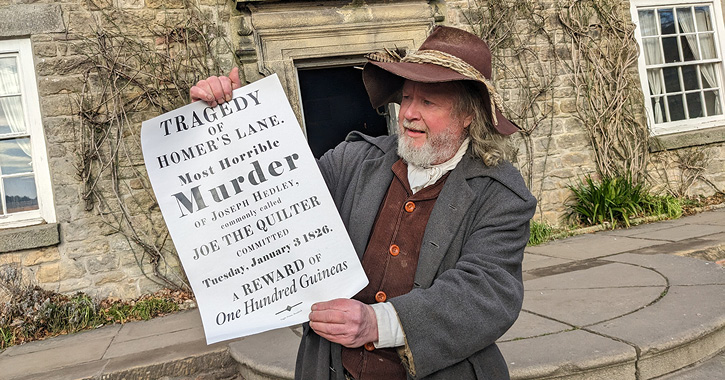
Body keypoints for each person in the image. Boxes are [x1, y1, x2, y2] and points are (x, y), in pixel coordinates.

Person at [191, 26, 536, 380]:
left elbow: (487, 291)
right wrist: (225, 122)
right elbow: (273, 199)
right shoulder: (352, 162)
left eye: (428, 102)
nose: (408, 114)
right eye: (407, 98)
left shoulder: (499, 194)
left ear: (469, 116)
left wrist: (376, 323)